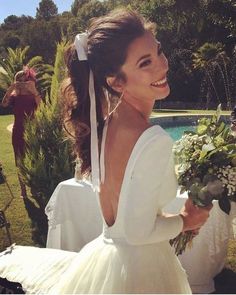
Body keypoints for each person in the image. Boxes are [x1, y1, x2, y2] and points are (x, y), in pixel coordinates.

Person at [0, 8, 211, 294]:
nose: (162, 66)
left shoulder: (104, 127)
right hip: (141, 271)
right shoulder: (152, 140)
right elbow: (138, 232)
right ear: (115, 81)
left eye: (158, 52)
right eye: (145, 62)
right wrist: (187, 221)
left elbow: (125, 221)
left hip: (105, 257)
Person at [1, 67, 41, 198]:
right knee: (19, 160)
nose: (24, 83)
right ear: (16, 82)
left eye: (26, 80)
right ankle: (23, 189)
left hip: (32, 130)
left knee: (33, 158)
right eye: (21, 81)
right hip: (18, 130)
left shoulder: (33, 95)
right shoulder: (14, 96)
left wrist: (34, 90)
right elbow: (4, 104)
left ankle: (34, 187)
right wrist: (11, 88)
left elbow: (42, 106)